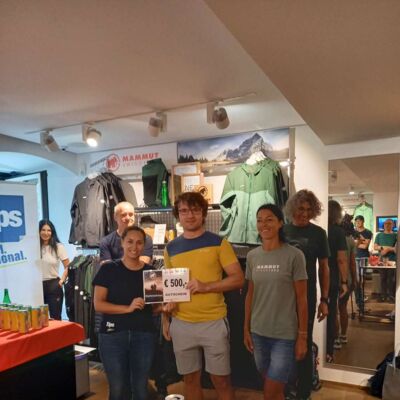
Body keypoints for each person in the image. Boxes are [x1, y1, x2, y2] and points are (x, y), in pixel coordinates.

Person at [162, 192, 244, 400]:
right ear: (178, 215)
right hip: (181, 323)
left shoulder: (219, 243)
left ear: (203, 213)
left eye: (195, 210)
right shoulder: (170, 248)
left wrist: (206, 286)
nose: (190, 215)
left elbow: (238, 279)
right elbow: (168, 288)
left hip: (213, 322)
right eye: (184, 211)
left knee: (221, 380)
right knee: (190, 380)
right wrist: (165, 317)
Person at [244, 204, 308, 400]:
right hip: (258, 332)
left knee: (270, 392)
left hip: (284, 335)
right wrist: (246, 329)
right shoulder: (252, 256)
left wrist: (302, 337)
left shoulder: (294, 255)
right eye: (259, 220)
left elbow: (302, 299)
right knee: (274, 389)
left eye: (269, 219)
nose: (264, 224)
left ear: (280, 223)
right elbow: (250, 295)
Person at [93, 225, 156, 400]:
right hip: (113, 335)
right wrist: (127, 308)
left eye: (139, 242)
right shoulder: (108, 269)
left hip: (144, 335)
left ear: (144, 245)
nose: (134, 247)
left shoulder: (151, 272)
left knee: (141, 388)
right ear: (122, 242)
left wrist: (166, 308)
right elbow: (98, 304)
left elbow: (154, 308)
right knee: (118, 388)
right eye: (130, 242)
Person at [283, 189, 330, 400]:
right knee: (283, 342)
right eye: (301, 208)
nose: (304, 213)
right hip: (283, 296)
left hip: (307, 296)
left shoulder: (318, 234)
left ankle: (303, 393)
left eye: (309, 209)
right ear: (293, 208)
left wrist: (324, 300)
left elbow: (324, 268)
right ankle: (285, 390)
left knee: (304, 340)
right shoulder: (282, 231)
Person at [326, 200, 348, 363]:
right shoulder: (338, 232)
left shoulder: (319, 230)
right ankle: (328, 350)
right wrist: (344, 281)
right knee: (331, 313)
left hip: (316, 276)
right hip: (332, 277)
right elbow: (341, 259)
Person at [39, 219, 70, 320]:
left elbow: (68, 266)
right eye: (43, 230)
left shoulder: (58, 247)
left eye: (49, 230)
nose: (46, 233)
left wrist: (62, 281)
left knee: (55, 318)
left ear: (52, 232)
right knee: (39, 319)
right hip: (37, 287)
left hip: (53, 286)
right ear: (39, 231)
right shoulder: (34, 247)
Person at [337, 214, 358, 346]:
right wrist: (354, 279)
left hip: (334, 277)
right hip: (347, 278)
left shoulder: (333, 238)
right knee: (343, 308)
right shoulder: (350, 240)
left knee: (334, 309)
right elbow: (352, 263)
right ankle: (343, 335)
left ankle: (335, 338)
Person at [374, 218, 397, 302]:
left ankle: (391, 296)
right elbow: (375, 247)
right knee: (383, 278)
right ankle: (383, 296)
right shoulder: (379, 235)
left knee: (391, 279)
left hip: (392, 260)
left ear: (393, 225)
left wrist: (388, 249)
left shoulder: (396, 235)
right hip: (382, 260)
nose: (387, 225)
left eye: (389, 223)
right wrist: (383, 248)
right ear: (383, 225)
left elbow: (396, 249)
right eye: (386, 223)